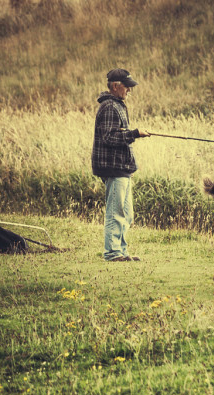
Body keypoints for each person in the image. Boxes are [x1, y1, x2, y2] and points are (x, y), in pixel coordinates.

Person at [92, 68, 150, 261]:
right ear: (116, 86)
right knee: (115, 213)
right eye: (127, 86)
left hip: (121, 167)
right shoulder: (109, 107)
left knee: (127, 214)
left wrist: (134, 134)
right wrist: (134, 134)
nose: (129, 90)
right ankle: (112, 253)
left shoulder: (117, 105)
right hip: (113, 167)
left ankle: (121, 252)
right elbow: (108, 137)